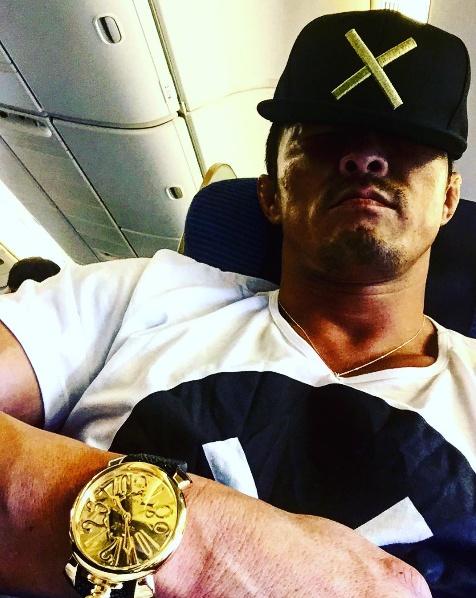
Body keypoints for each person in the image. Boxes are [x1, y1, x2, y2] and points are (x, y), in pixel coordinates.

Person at [0, 9, 472, 597]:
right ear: (269, 194)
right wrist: (202, 551)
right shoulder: (133, 299)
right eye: (324, 139)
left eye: (407, 144)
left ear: (449, 198)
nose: (365, 159)